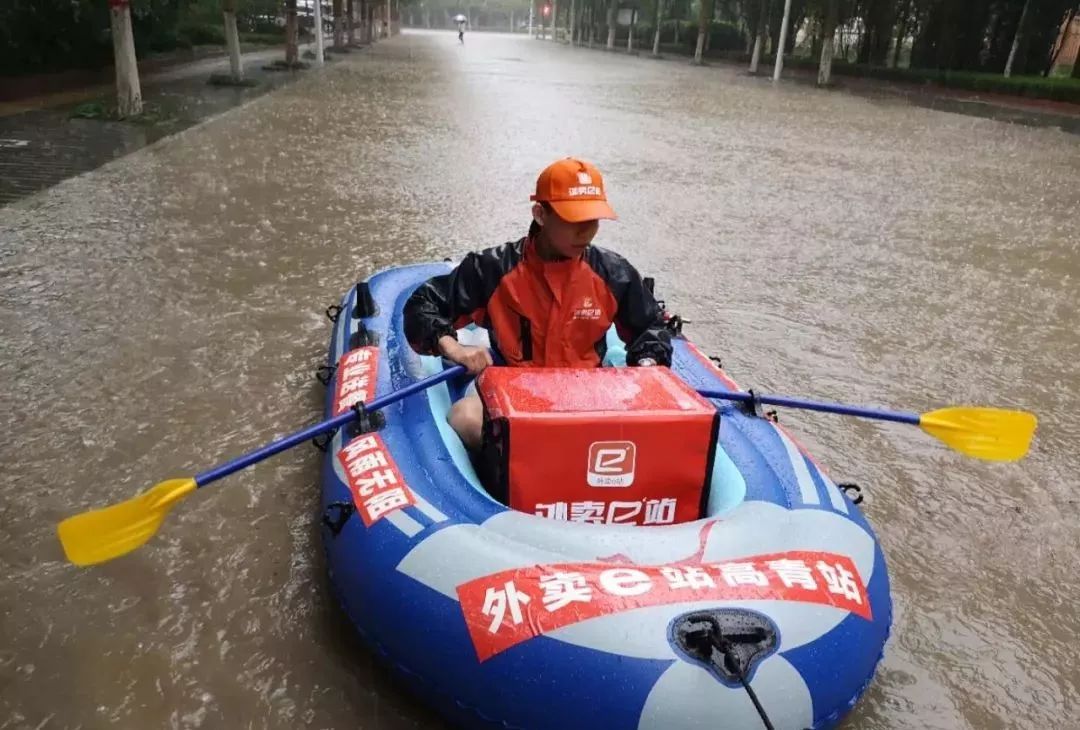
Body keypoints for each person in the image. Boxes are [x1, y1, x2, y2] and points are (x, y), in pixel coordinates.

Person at [403, 157, 672, 449]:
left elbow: (651, 327)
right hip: (510, 391)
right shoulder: (493, 269)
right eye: (574, 220)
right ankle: (497, 483)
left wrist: (647, 365)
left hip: (587, 396)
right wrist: (453, 348)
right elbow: (423, 303)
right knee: (465, 418)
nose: (586, 231)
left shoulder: (614, 273)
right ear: (541, 215)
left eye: (592, 220)